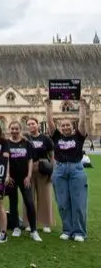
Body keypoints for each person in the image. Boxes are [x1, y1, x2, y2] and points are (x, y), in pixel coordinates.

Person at [45, 97, 88, 242]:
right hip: (60, 170)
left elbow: (82, 122)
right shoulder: (56, 137)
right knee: (63, 202)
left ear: (73, 127)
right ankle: (67, 230)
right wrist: (48, 105)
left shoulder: (78, 136)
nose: (65, 127)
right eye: (62, 126)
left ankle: (79, 232)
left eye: (68, 125)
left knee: (78, 202)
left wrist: (82, 105)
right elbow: (50, 123)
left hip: (76, 170)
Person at [7, 121, 42, 242]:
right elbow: (5, 160)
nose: (14, 131)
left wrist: (29, 175)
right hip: (11, 178)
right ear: (9, 129)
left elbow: (30, 160)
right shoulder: (6, 143)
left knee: (29, 202)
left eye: (17, 129)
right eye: (12, 129)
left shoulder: (26, 142)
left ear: (20, 129)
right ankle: (16, 227)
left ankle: (34, 230)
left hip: (24, 178)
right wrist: (6, 175)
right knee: (13, 203)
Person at [25, 117, 54, 233]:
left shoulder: (45, 138)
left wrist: (53, 170)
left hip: (43, 168)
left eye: (33, 123)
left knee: (45, 197)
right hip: (29, 170)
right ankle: (28, 222)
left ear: (37, 125)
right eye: (29, 124)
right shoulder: (25, 139)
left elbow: (52, 155)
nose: (31, 126)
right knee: (28, 197)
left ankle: (46, 223)